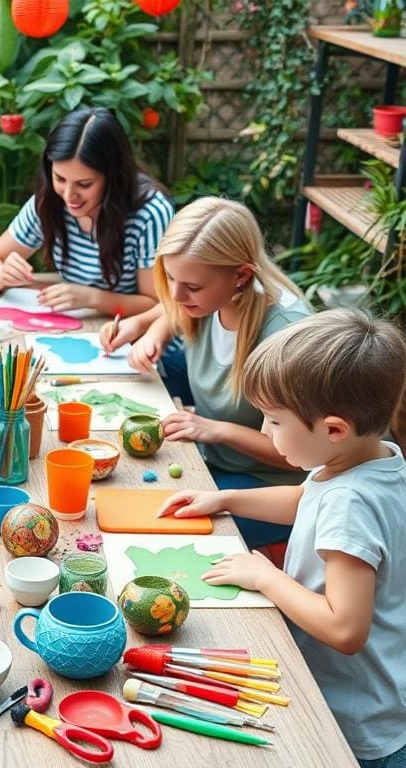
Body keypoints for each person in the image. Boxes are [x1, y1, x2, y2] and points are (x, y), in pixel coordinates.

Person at [157, 310, 406, 768]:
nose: (265, 433)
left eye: (273, 421)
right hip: (355, 697)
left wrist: (266, 577)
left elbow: (345, 629)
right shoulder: (368, 459)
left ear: (334, 429)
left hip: (352, 719)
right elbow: (304, 500)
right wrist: (226, 499)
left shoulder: (351, 501)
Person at [100, 197, 310, 548]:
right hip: (215, 460)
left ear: (241, 275)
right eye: (169, 278)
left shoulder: (286, 339)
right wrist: (148, 329)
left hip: (267, 489)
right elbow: (175, 307)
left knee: (159, 530)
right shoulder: (209, 297)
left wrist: (214, 429)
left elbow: (298, 458)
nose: (177, 295)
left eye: (193, 287)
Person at [0, 107, 174, 317]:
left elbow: (157, 304)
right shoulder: (49, 201)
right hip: (76, 326)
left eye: (84, 184)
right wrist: (2, 275)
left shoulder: (149, 213)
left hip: (133, 336)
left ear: (113, 177)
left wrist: (92, 298)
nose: (69, 195)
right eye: (60, 179)